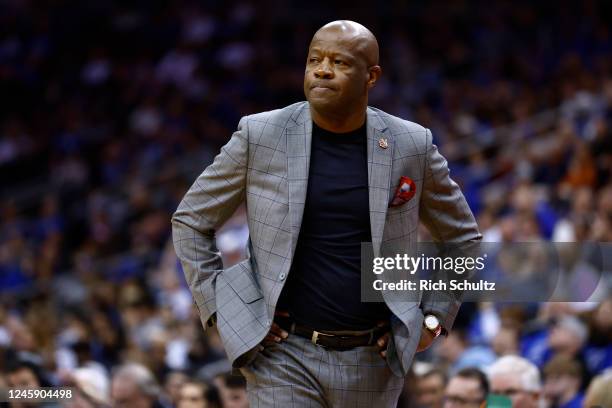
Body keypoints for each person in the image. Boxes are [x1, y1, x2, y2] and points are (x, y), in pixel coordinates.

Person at [172, 19, 480, 407]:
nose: (321, 69)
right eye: (314, 59)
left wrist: (434, 318)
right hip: (282, 356)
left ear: (372, 76)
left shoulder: (410, 143)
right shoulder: (260, 134)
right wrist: (220, 309)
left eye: (340, 62)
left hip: (373, 358)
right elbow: (191, 220)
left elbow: (462, 238)